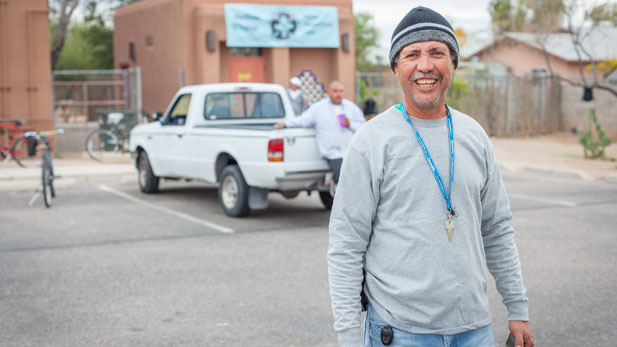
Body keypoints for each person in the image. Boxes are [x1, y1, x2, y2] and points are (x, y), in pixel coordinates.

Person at [328, 6, 534, 347]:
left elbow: (497, 227)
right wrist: (349, 336)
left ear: (452, 63)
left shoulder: (474, 135)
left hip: (475, 329)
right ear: (396, 67)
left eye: (437, 52)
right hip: (398, 332)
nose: (426, 65)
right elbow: (346, 245)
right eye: (412, 54)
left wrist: (518, 308)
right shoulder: (371, 141)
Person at [275, 80, 365, 185]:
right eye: (335, 91)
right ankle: (338, 194)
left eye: (341, 91)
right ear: (328, 92)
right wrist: (286, 124)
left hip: (349, 151)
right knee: (342, 174)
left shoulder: (351, 107)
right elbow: (303, 120)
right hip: (332, 153)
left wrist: (350, 124)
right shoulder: (319, 108)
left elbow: (363, 127)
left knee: (357, 175)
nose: (338, 94)